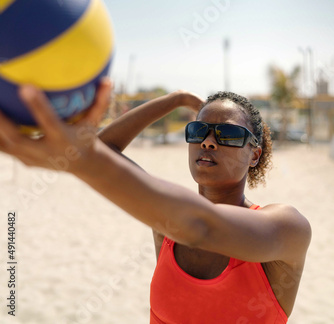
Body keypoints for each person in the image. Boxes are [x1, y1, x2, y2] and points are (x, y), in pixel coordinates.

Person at [0, 81, 311, 323]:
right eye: (198, 130)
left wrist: (80, 159)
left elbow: (203, 227)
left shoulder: (286, 228)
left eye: (227, 134)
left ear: (254, 154)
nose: (207, 141)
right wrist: (173, 100)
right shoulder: (168, 222)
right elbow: (106, 149)